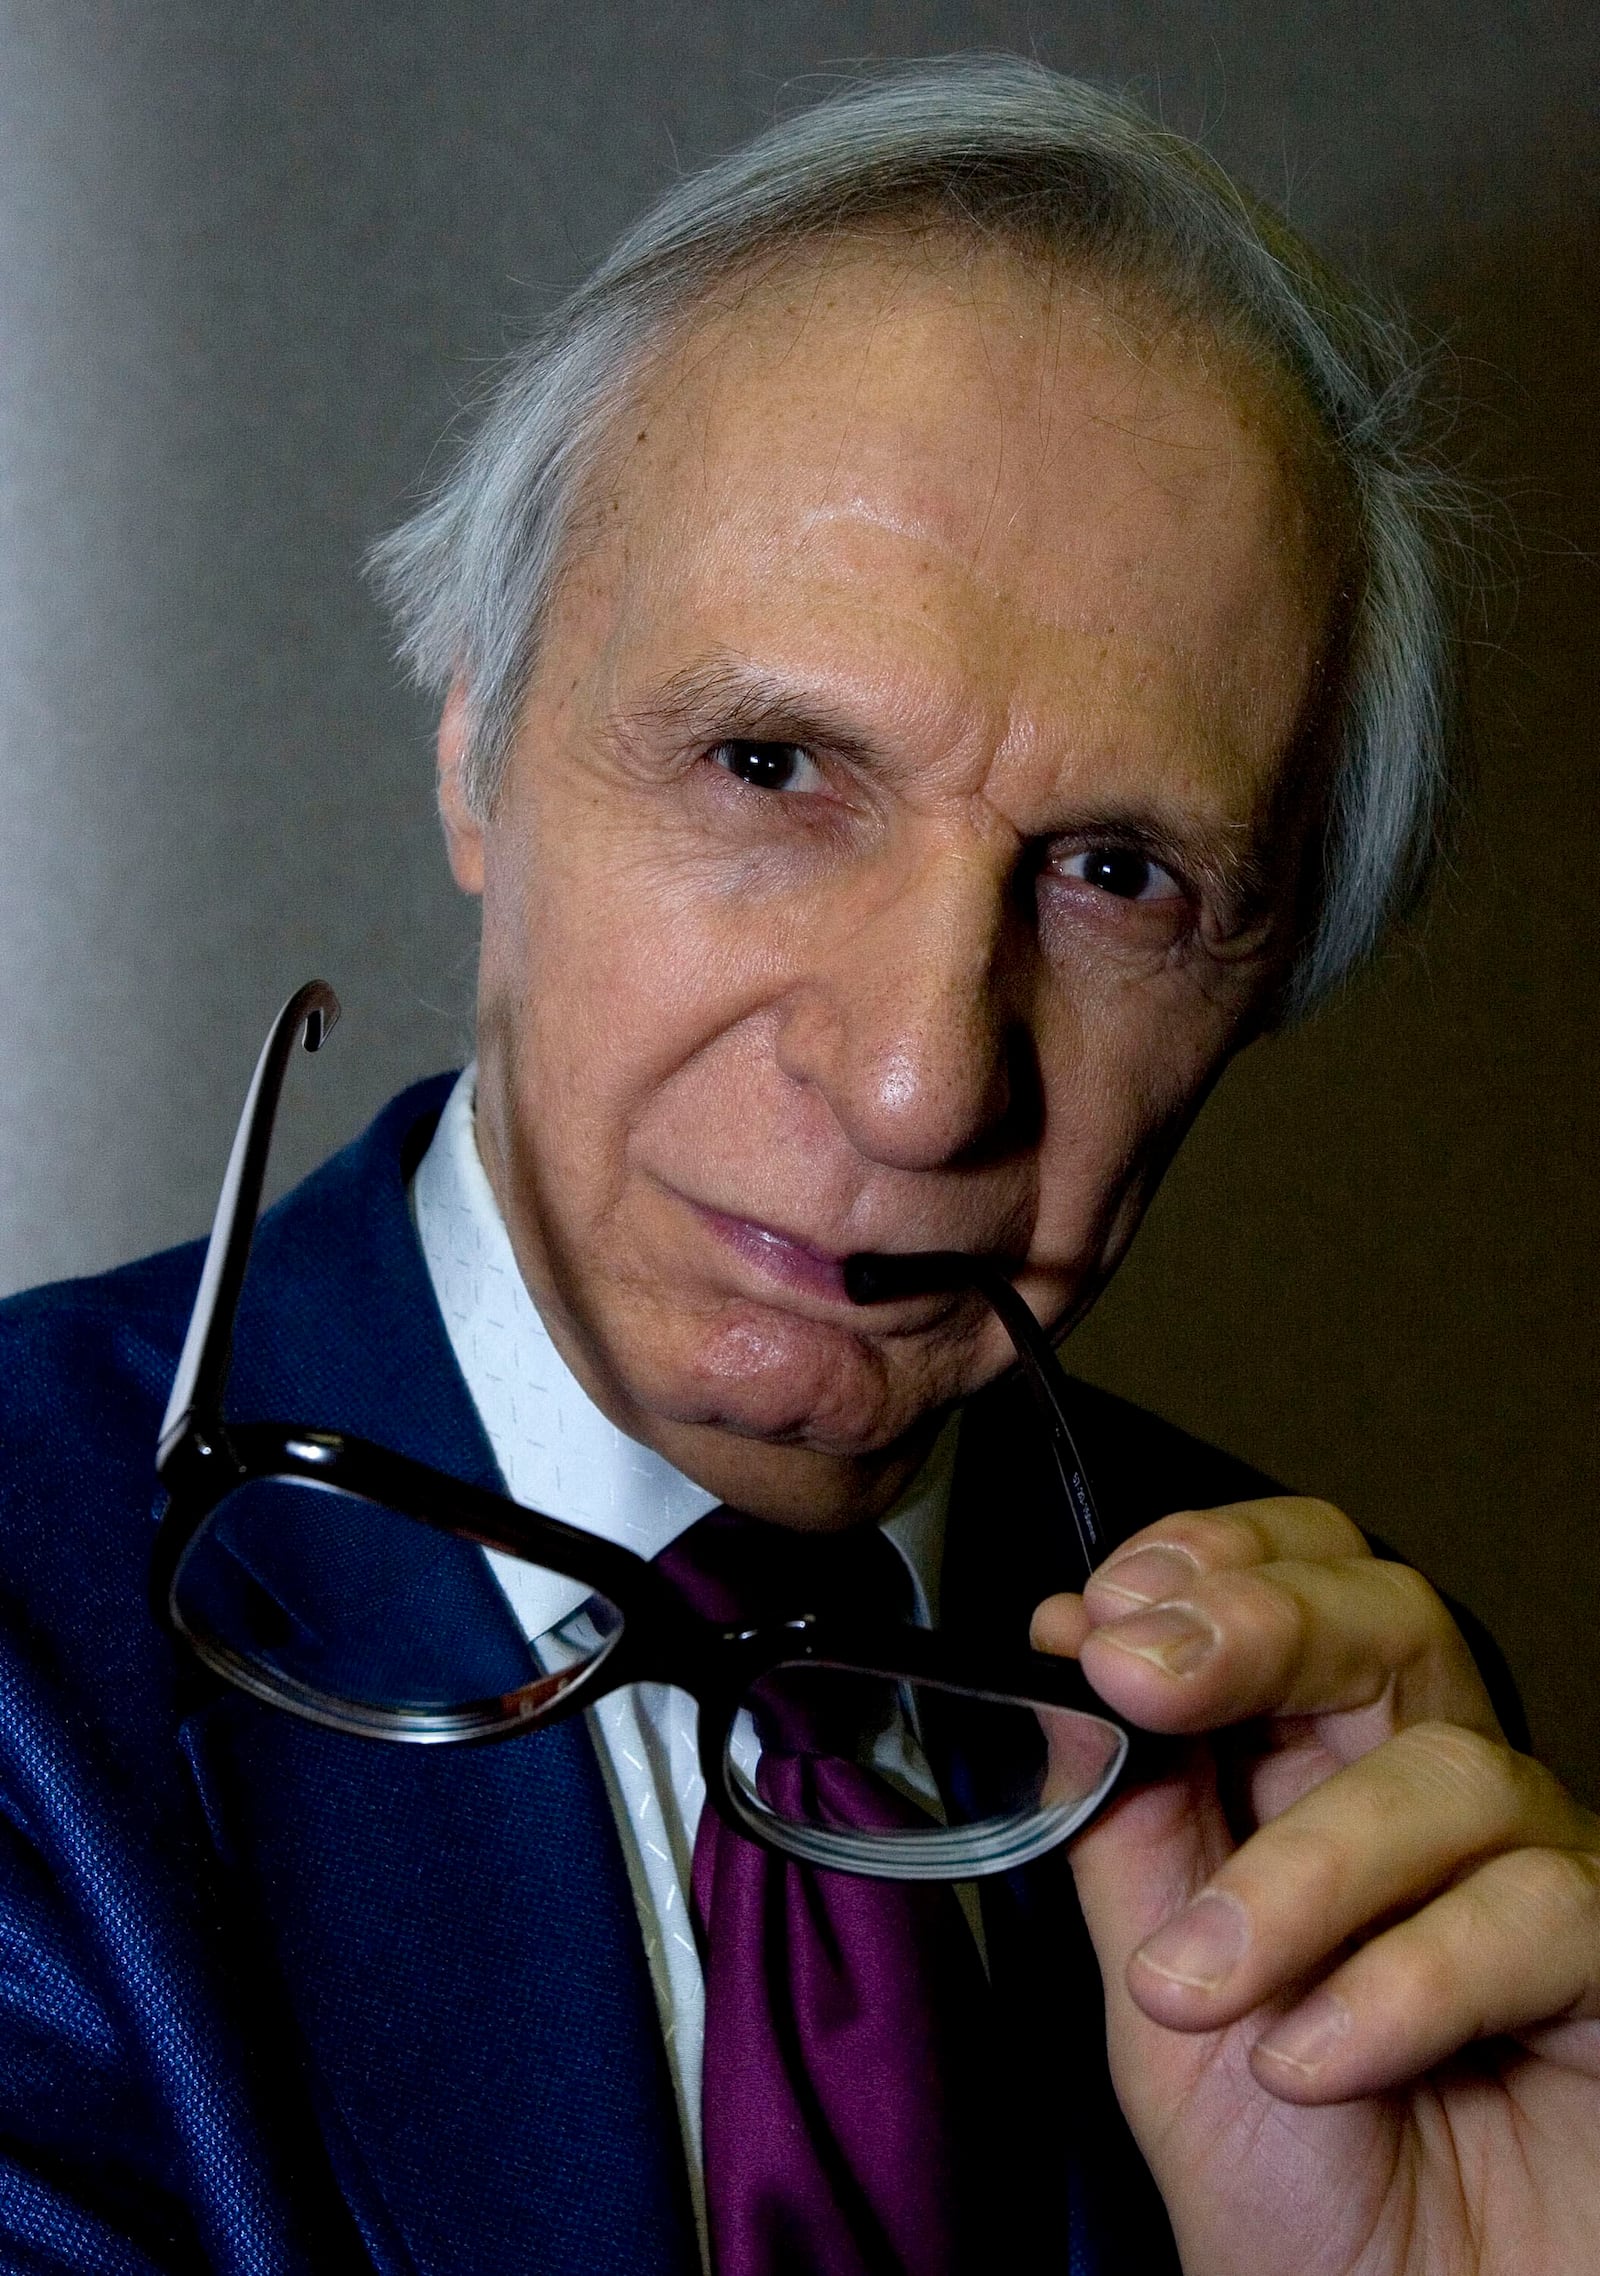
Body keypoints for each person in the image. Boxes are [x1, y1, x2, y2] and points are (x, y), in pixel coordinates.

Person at [1, 56, 1595, 2276]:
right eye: (770, 764)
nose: (925, 1082)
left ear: (1269, 969)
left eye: (1119, 874)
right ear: (478, 730)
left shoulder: (1332, 1763)